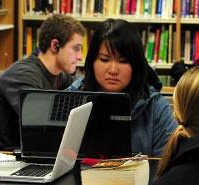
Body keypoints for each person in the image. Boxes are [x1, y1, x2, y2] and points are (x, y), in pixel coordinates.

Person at [0, 14, 85, 150]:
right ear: (55, 45)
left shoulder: (57, 74)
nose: (80, 57)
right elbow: (41, 125)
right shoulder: (24, 74)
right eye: (76, 48)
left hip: (18, 152)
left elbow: (82, 85)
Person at [67, 18, 176, 157]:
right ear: (92, 61)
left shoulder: (156, 107)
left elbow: (167, 166)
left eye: (123, 61)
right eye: (105, 59)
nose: (113, 70)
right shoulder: (71, 98)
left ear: (136, 65)